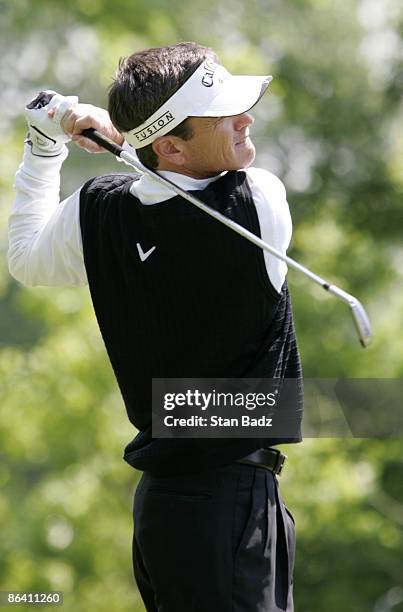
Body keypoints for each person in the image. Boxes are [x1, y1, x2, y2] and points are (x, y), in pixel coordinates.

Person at [8, 42, 303, 611]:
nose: (246, 119)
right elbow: (171, 179)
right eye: (223, 116)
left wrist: (48, 145)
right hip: (231, 506)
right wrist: (120, 136)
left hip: (165, 511)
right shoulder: (258, 204)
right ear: (170, 143)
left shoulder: (96, 211)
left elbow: (24, 255)